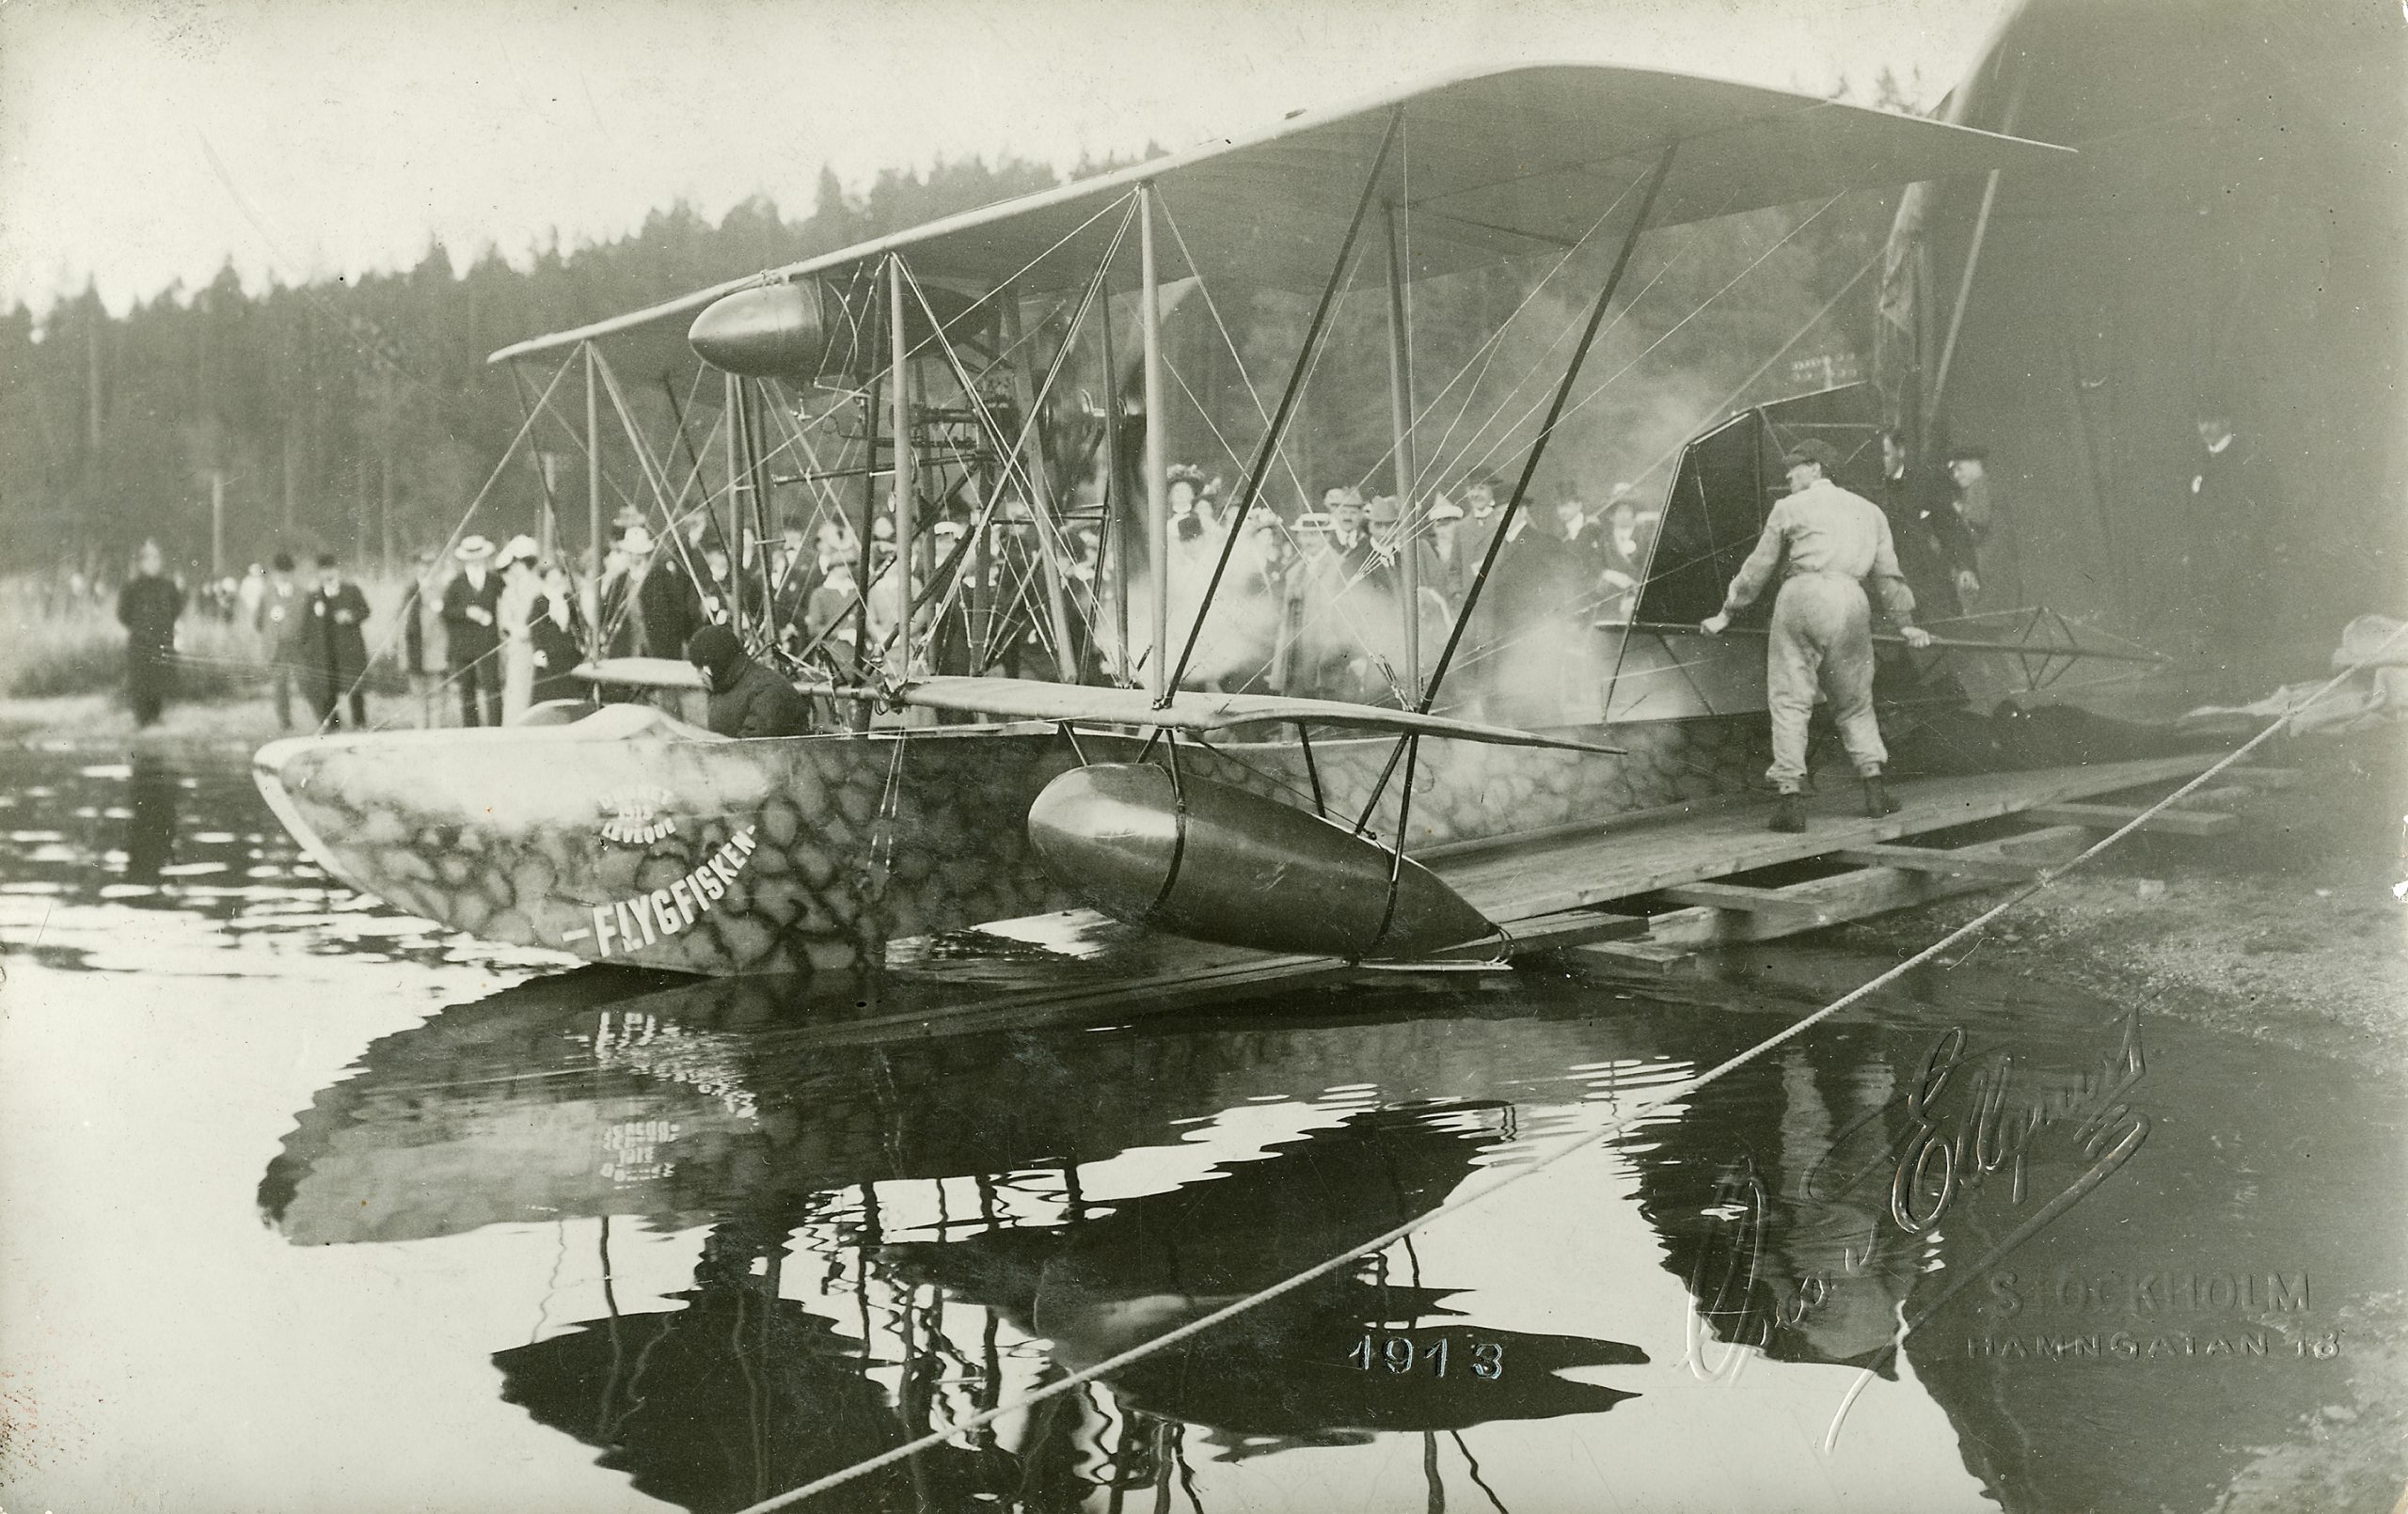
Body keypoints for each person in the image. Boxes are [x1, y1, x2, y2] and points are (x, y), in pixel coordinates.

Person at [1703, 438, 1931, 832]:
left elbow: (1758, 567)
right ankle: (1875, 792)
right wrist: (1905, 622)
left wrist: (1727, 613)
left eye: (1794, 468)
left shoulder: (1789, 508)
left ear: (1816, 469)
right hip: (1851, 599)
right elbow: (1888, 574)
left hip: (1803, 596)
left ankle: (1792, 802)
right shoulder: (1871, 511)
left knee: (1791, 700)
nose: (1789, 475)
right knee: (1856, 701)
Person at [1878, 430, 1978, 619]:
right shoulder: (1870, 488)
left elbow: (1950, 527)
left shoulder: (1924, 483)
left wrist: (1964, 566)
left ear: (1901, 451)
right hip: (1885, 582)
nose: (1880, 462)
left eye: (1885, 454)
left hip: (1922, 580)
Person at [683, 623, 814, 738]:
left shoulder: (768, 691)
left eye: (700, 669)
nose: (698, 676)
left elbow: (751, 751)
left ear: (715, 665)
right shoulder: (723, 686)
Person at [117, 540, 182, 728]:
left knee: (159, 679)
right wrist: (140, 628)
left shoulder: (168, 586)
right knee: (141, 681)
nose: (153, 563)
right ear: (141, 563)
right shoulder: (132, 587)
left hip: (162, 639)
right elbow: (123, 614)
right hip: (140, 641)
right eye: (149, 559)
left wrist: (163, 626)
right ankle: (142, 719)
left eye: (156, 558)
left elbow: (176, 608)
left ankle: (156, 715)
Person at [441, 535, 504, 726]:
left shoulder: (495, 581)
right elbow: (446, 611)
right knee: (466, 689)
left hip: (488, 642)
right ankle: (471, 729)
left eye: (479, 555)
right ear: (465, 558)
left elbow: (506, 605)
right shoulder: (456, 583)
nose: (476, 559)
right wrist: (467, 612)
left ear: (484, 557)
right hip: (463, 644)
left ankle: (495, 728)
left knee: (492, 687)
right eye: (471, 556)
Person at [304, 551, 372, 731]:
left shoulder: (351, 590)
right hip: (326, 650)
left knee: (354, 687)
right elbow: (307, 624)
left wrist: (351, 616)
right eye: (323, 570)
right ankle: (333, 726)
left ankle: (360, 723)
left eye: (331, 569)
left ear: (337, 570)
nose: (327, 574)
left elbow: (365, 611)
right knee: (329, 688)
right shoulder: (314, 596)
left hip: (349, 648)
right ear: (319, 573)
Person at [255, 550, 306, 730]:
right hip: (277, 646)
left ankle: (324, 716)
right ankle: (285, 722)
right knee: (280, 684)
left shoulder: (302, 594)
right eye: (280, 571)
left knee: (306, 681)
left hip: (297, 644)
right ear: (275, 573)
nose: (283, 575)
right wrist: (271, 635)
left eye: (287, 571)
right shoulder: (267, 594)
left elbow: (306, 620)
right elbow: (259, 621)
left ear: (292, 573)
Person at [398, 546, 449, 727]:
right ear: (414, 567)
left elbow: (446, 616)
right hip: (413, 648)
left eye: (428, 565)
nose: (425, 569)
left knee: (436, 695)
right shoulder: (409, 589)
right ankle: (420, 733)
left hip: (434, 648)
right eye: (420, 565)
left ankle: (435, 733)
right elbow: (400, 620)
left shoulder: (441, 588)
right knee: (417, 695)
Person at [528, 560, 590, 707]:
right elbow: (535, 629)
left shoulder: (569, 597)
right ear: (545, 577)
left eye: (558, 575)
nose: (555, 578)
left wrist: (583, 642)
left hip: (568, 650)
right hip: (549, 652)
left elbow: (579, 623)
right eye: (551, 575)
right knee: (548, 691)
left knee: (572, 690)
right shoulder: (539, 601)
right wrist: (538, 650)